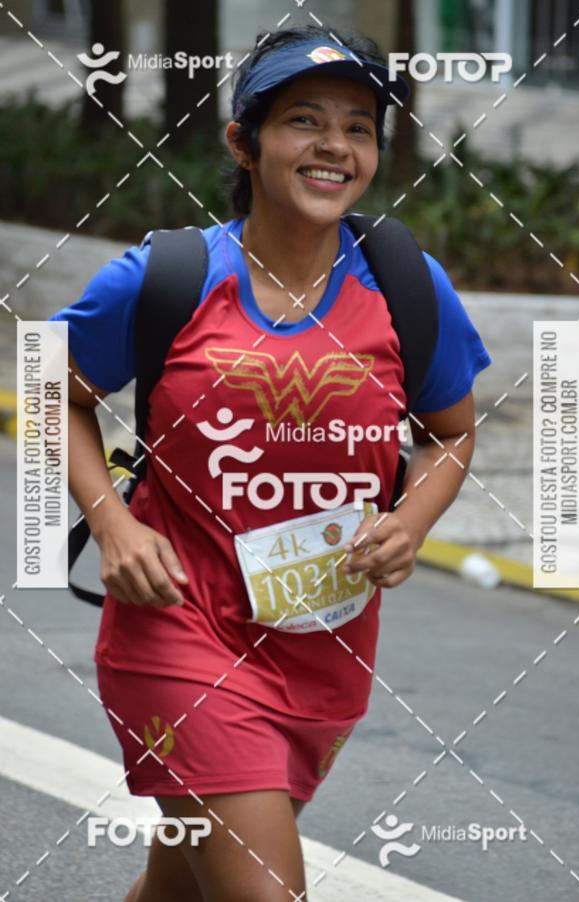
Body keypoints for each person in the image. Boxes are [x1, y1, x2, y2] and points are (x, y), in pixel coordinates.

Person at [52, 23, 491, 902]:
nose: (335, 146)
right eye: (304, 120)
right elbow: (50, 391)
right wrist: (115, 522)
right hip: (177, 631)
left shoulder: (405, 284)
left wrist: (411, 522)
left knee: (180, 888)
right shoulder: (167, 275)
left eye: (359, 127)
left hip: (321, 645)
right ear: (244, 143)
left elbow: (451, 434)